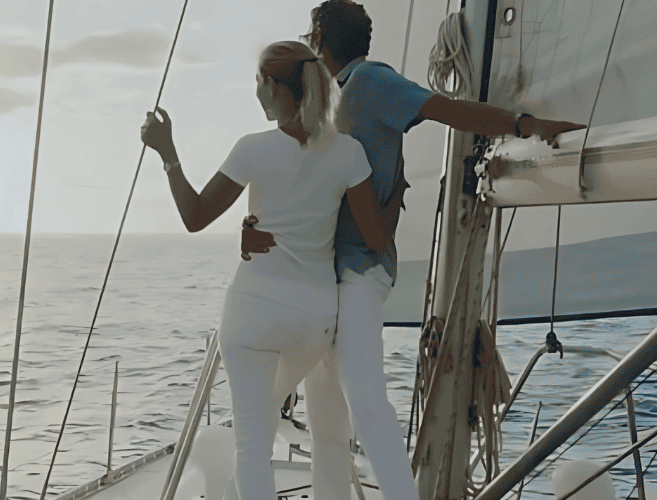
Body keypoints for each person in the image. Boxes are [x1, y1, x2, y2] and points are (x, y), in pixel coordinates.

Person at [241, 2, 589, 500]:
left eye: (311, 33)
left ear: (320, 39)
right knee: (328, 430)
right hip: (320, 279)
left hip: (357, 275)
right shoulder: (323, 103)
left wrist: (524, 125)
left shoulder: (369, 83)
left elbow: (448, 111)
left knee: (357, 407)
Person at [140, 40, 392, 500]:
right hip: (313, 321)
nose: (256, 92)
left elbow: (194, 217)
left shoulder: (252, 149)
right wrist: (397, 193)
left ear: (276, 88)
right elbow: (376, 238)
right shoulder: (349, 153)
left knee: (251, 443)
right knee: (272, 416)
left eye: (259, 82)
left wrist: (167, 153)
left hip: (253, 312)